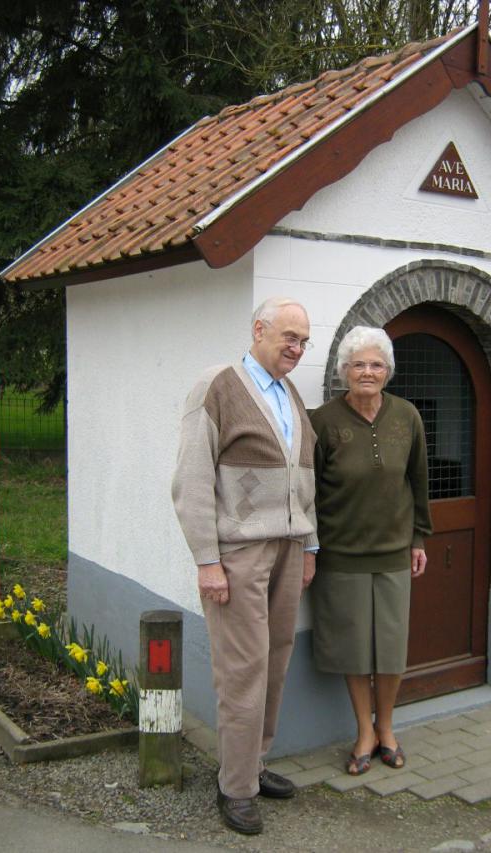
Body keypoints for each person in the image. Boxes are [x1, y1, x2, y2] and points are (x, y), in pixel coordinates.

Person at [172, 297, 318, 835]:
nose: (297, 349)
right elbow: (190, 480)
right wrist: (208, 560)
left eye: (304, 340)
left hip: (290, 548)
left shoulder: (289, 394)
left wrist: (311, 546)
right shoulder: (218, 385)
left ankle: (253, 764)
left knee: (276, 659)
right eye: (289, 337)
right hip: (239, 555)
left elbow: (305, 480)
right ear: (259, 330)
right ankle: (235, 787)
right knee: (243, 669)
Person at [309, 326, 432, 776]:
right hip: (341, 555)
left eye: (376, 364)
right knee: (355, 649)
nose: (367, 372)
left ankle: (388, 729)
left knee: (391, 649)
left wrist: (419, 537)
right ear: (344, 371)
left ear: (388, 371)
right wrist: (310, 548)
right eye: (358, 364)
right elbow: (310, 492)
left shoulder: (407, 417)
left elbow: (418, 481)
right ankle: (364, 731)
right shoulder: (322, 421)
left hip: (395, 552)